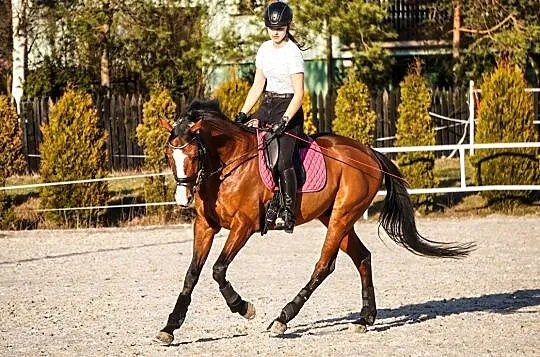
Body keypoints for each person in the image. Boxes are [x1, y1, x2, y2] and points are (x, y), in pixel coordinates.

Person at [234, 1, 304, 234]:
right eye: (272, 28)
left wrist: (284, 121)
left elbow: (299, 94)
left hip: (288, 108)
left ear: (287, 27)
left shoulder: (292, 53)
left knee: (282, 160)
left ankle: (288, 211)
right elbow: (257, 85)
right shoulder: (264, 49)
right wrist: (243, 112)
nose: (276, 32)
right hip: (268, 104)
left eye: (281, 28)